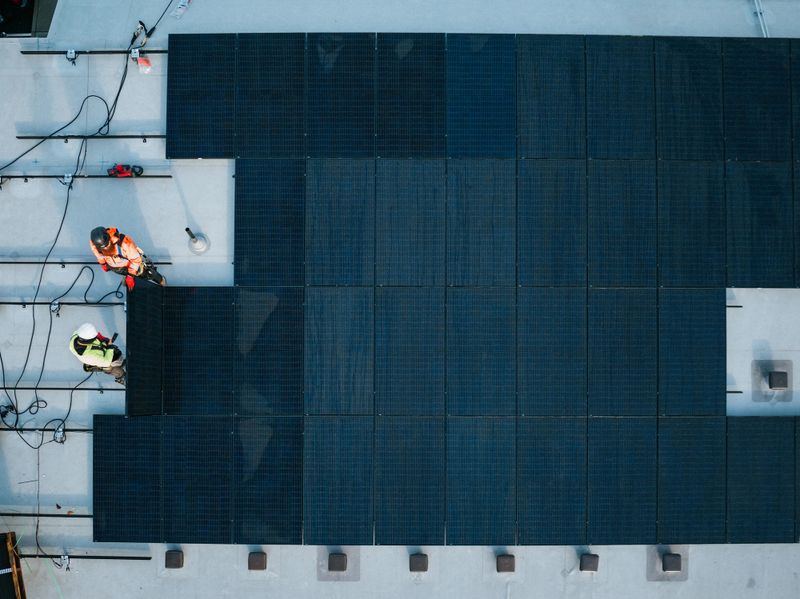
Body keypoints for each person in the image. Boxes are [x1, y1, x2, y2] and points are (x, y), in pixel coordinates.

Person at [90, 226, 166, 290]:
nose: (106, 248)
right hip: (115, 266)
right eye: (103, 247)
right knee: (123, 273)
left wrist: (130, 276)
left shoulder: (125, 243)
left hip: (130, 264)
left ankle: (161, 281)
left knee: (149, 273)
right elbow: (99, 255)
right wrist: (103, 263)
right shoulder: (95, 245)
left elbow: (135, 260)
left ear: (109, 238)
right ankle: (126, 276)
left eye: (107, 245)